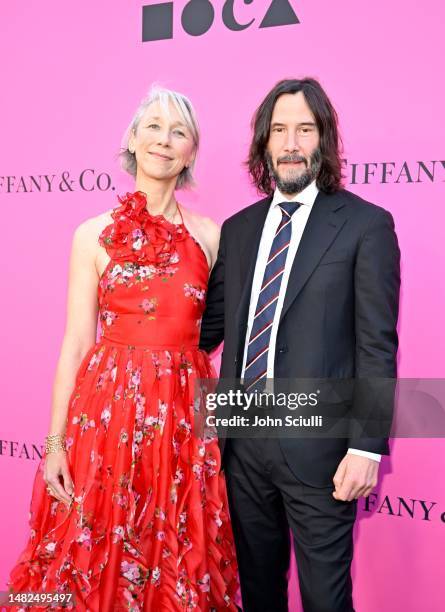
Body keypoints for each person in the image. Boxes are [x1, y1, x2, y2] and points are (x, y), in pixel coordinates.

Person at [7, 86, 238, 611]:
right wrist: (56, 442)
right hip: (105, 419)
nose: (164, 139)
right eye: (153, 126)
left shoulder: (212, 236)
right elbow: (76, 342)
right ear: (132, 139)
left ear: (191, 152)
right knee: (87, 554)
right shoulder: (91, 234)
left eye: (178, 131)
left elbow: (219, 331)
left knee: (179, 555)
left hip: (183, 418)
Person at [200, 78, 400, 611]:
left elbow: (377, 345)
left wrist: (366, 446)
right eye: (280, 130)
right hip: (242, 444)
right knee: (258, 594)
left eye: (305, 130)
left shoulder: (365, 225)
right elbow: (205, 328)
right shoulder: (238, 230)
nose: (291, 143)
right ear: (264, 142)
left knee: (325, 600)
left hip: (324, 450)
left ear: (324, 140)